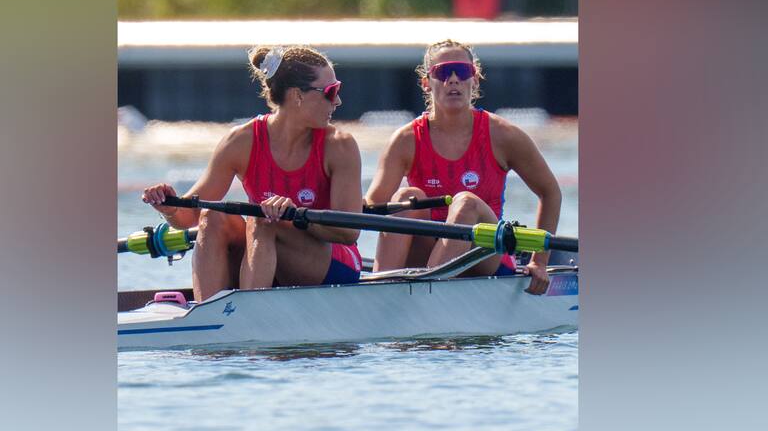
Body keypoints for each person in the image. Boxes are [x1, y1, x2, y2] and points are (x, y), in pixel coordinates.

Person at [142, 45, 363, 302]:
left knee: (262, 218)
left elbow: (349, 232)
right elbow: (189, 214)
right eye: (330, 92)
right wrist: (168, 206)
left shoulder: (340, 146)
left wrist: (295, 217)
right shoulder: (241, 141)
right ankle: (209, 314)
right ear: (296, 96)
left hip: (334, 263)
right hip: (267, 253)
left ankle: (246, 315)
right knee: (213, 215)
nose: (337, 101)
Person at [364, 39, 561, 295]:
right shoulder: (405, 140)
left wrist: (539, 261)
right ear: (427, 82)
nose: (453, 80)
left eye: (462, 71)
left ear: (475, 80)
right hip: (428, 250)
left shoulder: (503, 135)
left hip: (484, 254)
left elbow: (550, 192)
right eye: (443, 72)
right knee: (405, 197)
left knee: (465, 203)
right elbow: (372, 208)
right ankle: (378, 292)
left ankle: (424, 294)